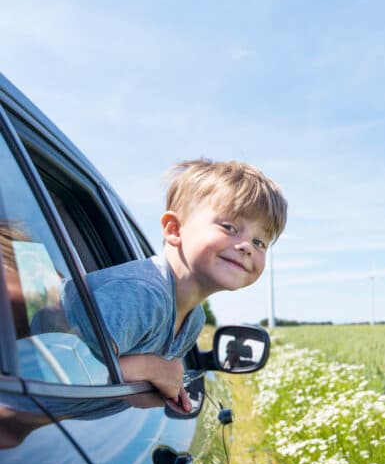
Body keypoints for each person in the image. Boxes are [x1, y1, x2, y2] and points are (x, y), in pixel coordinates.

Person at [62, 159, 287, 412]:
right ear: (174, 229)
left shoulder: (194, 320)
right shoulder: (143, 295)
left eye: (260, 242)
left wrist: (168, 381)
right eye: (229, 227)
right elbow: (67, 374)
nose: (246, 246)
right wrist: (153, 368)